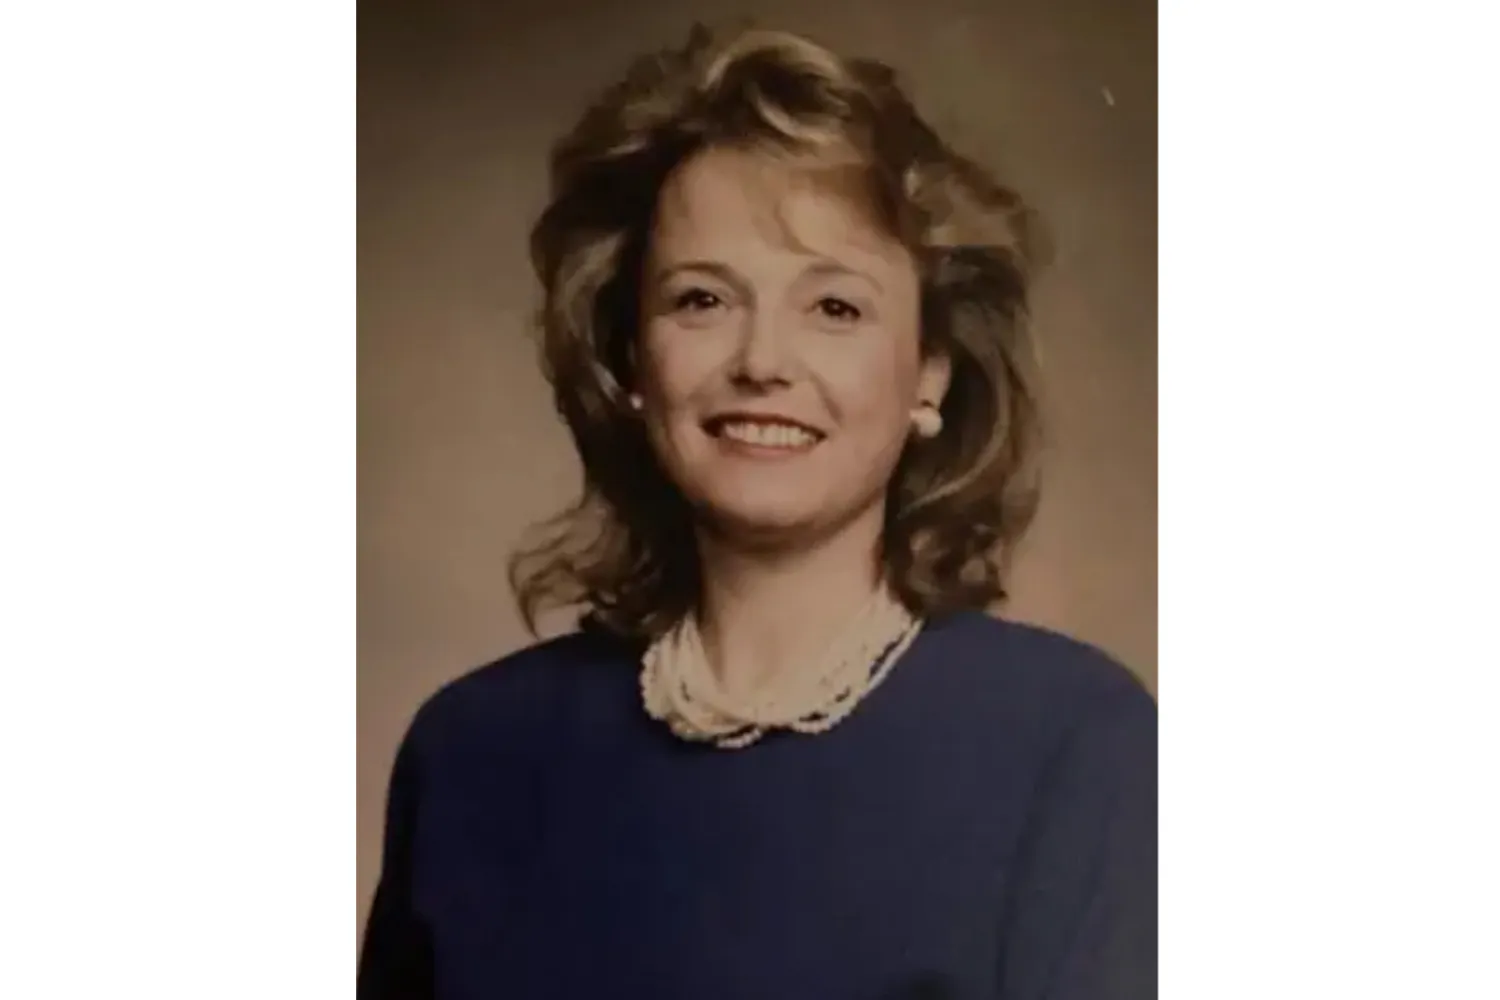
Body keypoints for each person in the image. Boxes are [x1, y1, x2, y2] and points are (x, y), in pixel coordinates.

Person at [358, 23, 1156, 1000]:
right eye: (702, 300)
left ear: (929, 375)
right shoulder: (469, 752)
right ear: (632, 361)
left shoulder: (1073, 743)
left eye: (835, 308)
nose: (763, 361)